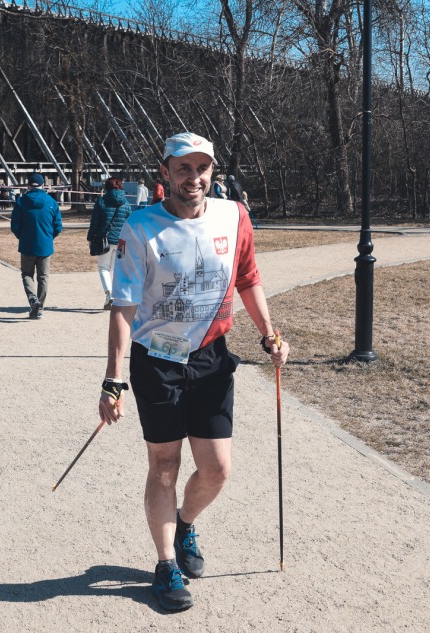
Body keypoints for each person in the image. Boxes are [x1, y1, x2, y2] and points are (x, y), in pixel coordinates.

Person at [97, 132, 289, 612]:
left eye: (202, 168)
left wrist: (270, 334)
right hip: (157, 362)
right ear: (165, 172)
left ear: (212, 172)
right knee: (164, 466)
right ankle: (165, 565)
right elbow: (123, 305)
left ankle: (184, 523)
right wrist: (113, 379)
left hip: (210, 358)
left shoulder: (234, 215)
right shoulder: (141, 228)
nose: (194, 177)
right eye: (183, 168)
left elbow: (247, 277)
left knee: (217, 469)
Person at [11, 173, 62, 319]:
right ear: (43, 185)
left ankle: (33, 299)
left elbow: (15, 225)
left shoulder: (21, 201)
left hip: (27, 244)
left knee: (27, 274)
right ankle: (40, 307)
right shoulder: (51, 202)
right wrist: (49, 237)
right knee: (43, 277)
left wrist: (22, 236)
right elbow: (58, 226)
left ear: (28, 186)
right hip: (45, 245)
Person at [86, 177, 133, 310]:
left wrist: (90, 238)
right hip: (121, 241)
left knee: (103, 268)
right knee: (117, 269)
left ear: (106, 187)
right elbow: (130, 223)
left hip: (104, 240)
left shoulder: (101, 201)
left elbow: (94, 222)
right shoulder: (126, 203)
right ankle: (119, 296)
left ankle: (109, 294)